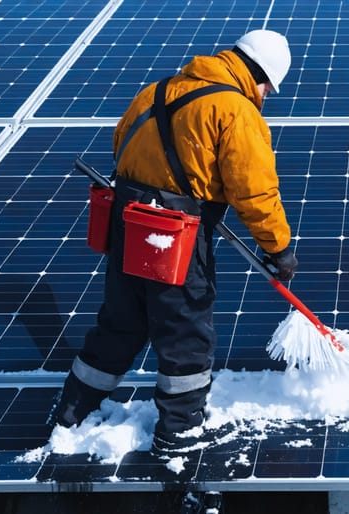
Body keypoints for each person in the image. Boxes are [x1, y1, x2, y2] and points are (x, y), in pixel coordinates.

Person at [49, 30, 298, 455]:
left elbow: (121, 147)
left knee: (119, 323)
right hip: (175, 238)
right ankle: (179, 432)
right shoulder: (235, 110)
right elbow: (254, 190)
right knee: (185, 332)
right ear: (257, 74)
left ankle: (71, 412)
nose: (265, 96)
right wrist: (277, 247)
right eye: (267, 88)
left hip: (127, 225)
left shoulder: (156, 91)